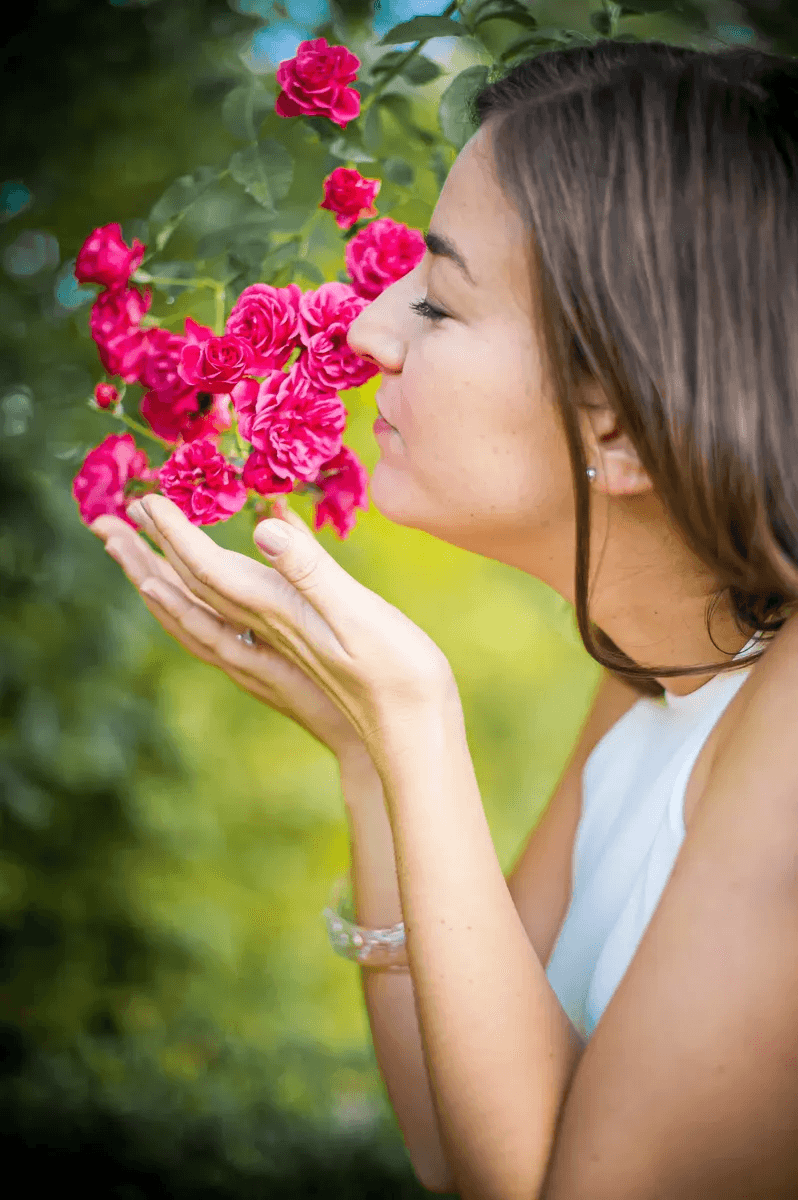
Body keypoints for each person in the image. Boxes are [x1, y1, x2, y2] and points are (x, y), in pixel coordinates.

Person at [91, 38, 798, 1200]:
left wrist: (417, 724)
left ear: (617, 424)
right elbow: (458, 1136)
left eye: (437, 302)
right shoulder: (655, 662)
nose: (368, 335)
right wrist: (369, 755)